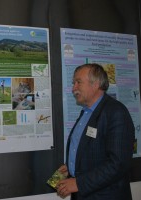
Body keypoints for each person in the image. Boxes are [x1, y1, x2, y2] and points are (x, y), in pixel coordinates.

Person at [56, 63, 135, 200]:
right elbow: (91, 151)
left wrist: (78, 183)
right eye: (73, 83)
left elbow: (118, 163)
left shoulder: (116, 112)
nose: (73, 88)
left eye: (78, 82)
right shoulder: (86, 113)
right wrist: (71, 166)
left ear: (96, 84)